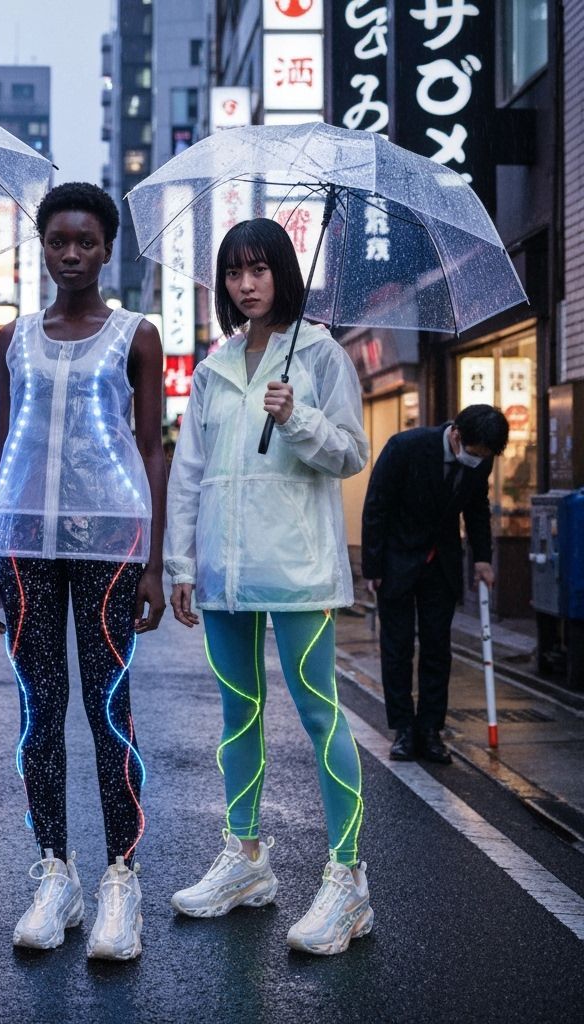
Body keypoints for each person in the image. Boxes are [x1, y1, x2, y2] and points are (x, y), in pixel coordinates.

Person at [165, 218, 373, 956]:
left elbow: (351, 453)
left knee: (321, 716)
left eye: (257, 269)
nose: (245, 284)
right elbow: (189, 473)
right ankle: (246, 859)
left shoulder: (319, 353)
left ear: (284, 271)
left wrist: (299, 418)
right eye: (232, 273)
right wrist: (180, 566)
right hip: (224, 574)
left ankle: (348, 881)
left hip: (300, 570)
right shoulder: (216, 366)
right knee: (238, 716)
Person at [0, 182, 166, 961]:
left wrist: (153, 561)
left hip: (110, 543)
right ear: (42, 247)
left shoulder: (136, 336)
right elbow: (0, 446)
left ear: (107, 247)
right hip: (23, 543)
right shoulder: (13, 337)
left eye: (86, 241)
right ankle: (56, 870)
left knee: (109, 710)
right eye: (59, 241)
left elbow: (152, 445)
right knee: (39, 712)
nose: (72, 254)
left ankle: (123, 876)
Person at [361, 404, 509, 764]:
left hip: (440, 563)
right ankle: (403, 729)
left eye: (485, 457)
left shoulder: (481, 458)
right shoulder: (405, 447)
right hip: (397, 559)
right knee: (396, 648)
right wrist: (373, 566)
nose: (478, 461)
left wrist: (482, 559)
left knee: (437, 648)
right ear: (456, 434)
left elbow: (476, 507)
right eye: (475, 453)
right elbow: (376, 504)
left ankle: (430, 730)